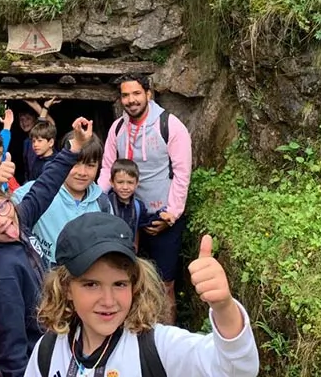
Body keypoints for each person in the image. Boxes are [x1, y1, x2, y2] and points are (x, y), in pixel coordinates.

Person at [25, 213, 260, 377]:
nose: (108, 301)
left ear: (135, 284)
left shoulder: (157, 347)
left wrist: (224, 307)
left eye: (119, 284)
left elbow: (236, 370)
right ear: (66, 288)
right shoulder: (48, 351)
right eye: (91, 285)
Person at [0, 118, 95, 377]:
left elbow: (44, 188)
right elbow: (10, 347)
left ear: (8, 198)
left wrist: (74, 146)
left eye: (2, 207)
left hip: (53, 343)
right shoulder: (2, 273)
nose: (2, 221)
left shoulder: (17, 221)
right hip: (36, 361)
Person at [99, 73, 192, 324]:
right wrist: (94, 203)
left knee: (165, 283)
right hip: (126, 215)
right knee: (126, 277)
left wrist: (172, 215)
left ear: (148, 94)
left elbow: (182, 172)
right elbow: (107, 169)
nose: (131, 100)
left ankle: (167, 343)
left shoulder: (170, 126)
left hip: (160, 214)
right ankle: (131, 333)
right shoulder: (117, 128)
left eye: (136, 93)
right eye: (125, 95)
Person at [11, 135, 109, 266]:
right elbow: (3, 212)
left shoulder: (102, 202)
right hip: (45, 275)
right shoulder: (39, 191)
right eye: (75, 164)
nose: (82, 172)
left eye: (90, 165)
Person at [107, 158, 173, 250]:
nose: (125, 187)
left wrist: (161, 215)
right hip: (109, 251)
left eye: (130, 182)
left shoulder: (138, 206)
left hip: (129, 252)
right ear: (112, 183)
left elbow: (146, 222)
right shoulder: (105, 203)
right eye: (120, 182)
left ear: (137, 184)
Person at [19, 99, 58, 182]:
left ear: (51, 142)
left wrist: (40, 106)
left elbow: (50, 124)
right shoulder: (27, 141)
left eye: (28, 119)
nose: (24, 122)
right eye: (21, 119)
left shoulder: (51, 163)